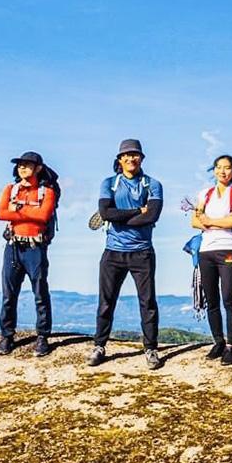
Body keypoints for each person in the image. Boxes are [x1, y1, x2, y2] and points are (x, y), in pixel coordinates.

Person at [90, 139, 164, 369]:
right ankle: (99, 345)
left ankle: (151, 348)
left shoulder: (152, 184)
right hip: (113, 252)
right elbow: (104, 211)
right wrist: (135, 211)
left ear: (141, 158)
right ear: (119, 159)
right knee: (106, 302)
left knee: (147, 302)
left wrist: (118, 215)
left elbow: (151, 217)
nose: (131, 158)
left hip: (142, 252)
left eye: (135, 155)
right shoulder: (109, 183)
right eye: (126, 155)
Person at [0, 151, 56, 357]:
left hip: (35, 248)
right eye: (20, 164)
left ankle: (42, 336)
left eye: (27, 165)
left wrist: (18, 211)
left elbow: (43, 216)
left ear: (38, 168)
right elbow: (1, 213)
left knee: (40, 292)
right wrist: (28, 212)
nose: (22, 167)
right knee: (8, 294)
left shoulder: (46, 192)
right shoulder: (10, 189)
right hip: (13, 247)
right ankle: (7, 335)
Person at [190, 155, 232, 366]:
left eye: (227, 168)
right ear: (213, 170)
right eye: (219, 167)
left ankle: (231, 346)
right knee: (211, 299)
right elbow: (195, 221)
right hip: (206, 250)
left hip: (228, 249)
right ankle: (218, 341)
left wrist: (211, 222)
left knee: (228, 298)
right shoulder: (204, 193)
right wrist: (220, 222)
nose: (223, 171)